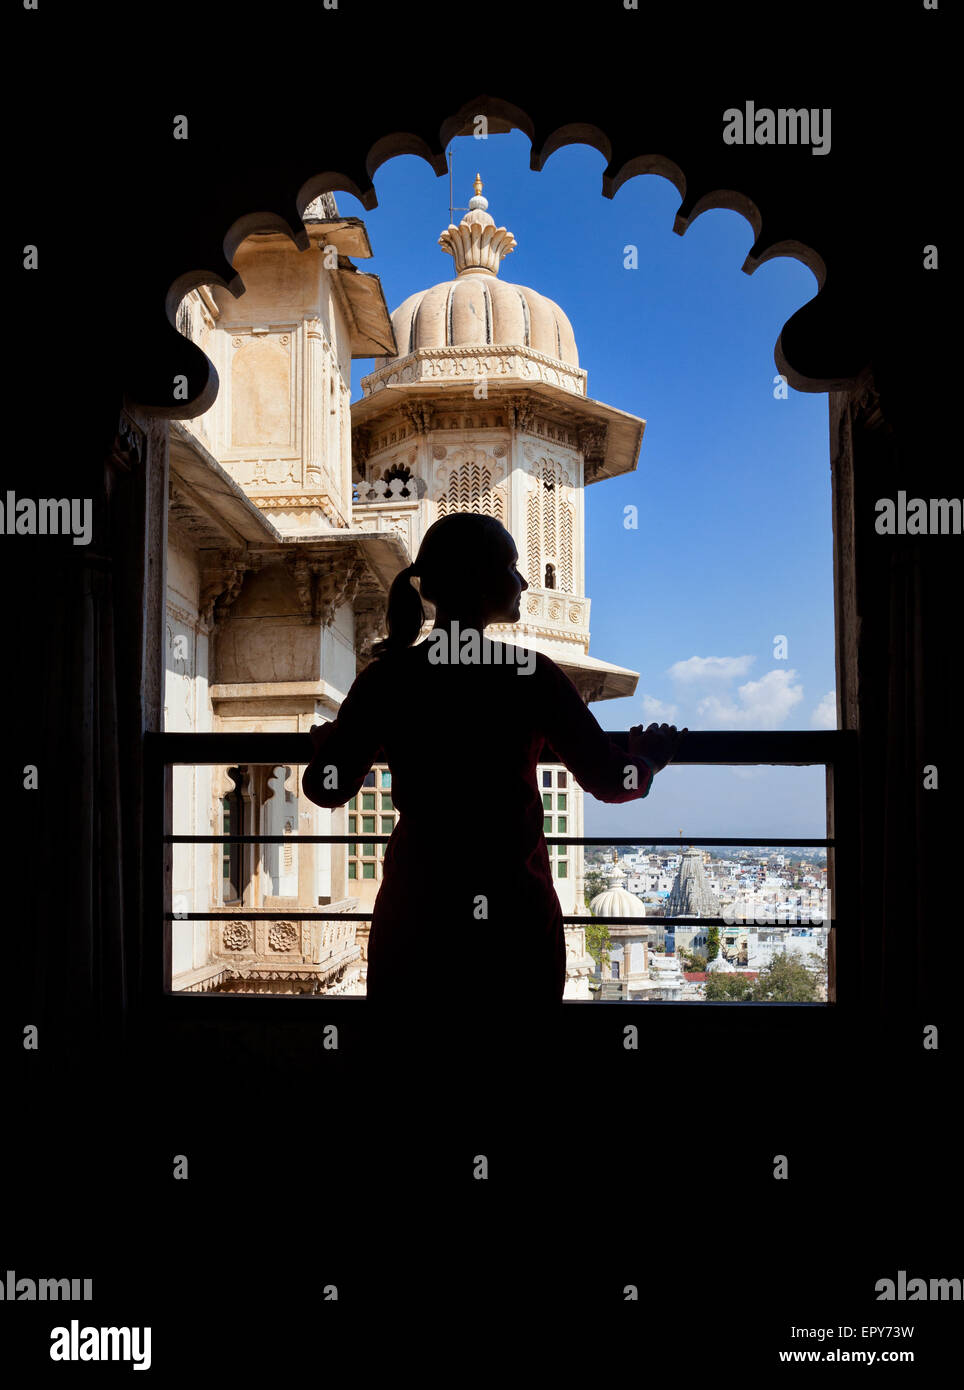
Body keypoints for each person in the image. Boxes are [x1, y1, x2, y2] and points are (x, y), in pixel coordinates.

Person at [301, 512, 684, 1068]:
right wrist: (648, 758)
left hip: (419, 918)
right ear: (479, 581)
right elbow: (611, 781)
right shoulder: (530, 675)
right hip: (513, 923)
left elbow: (325, 788)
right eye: (511, 567)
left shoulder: (389, 679)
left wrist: (329, 744)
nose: (523, 582)